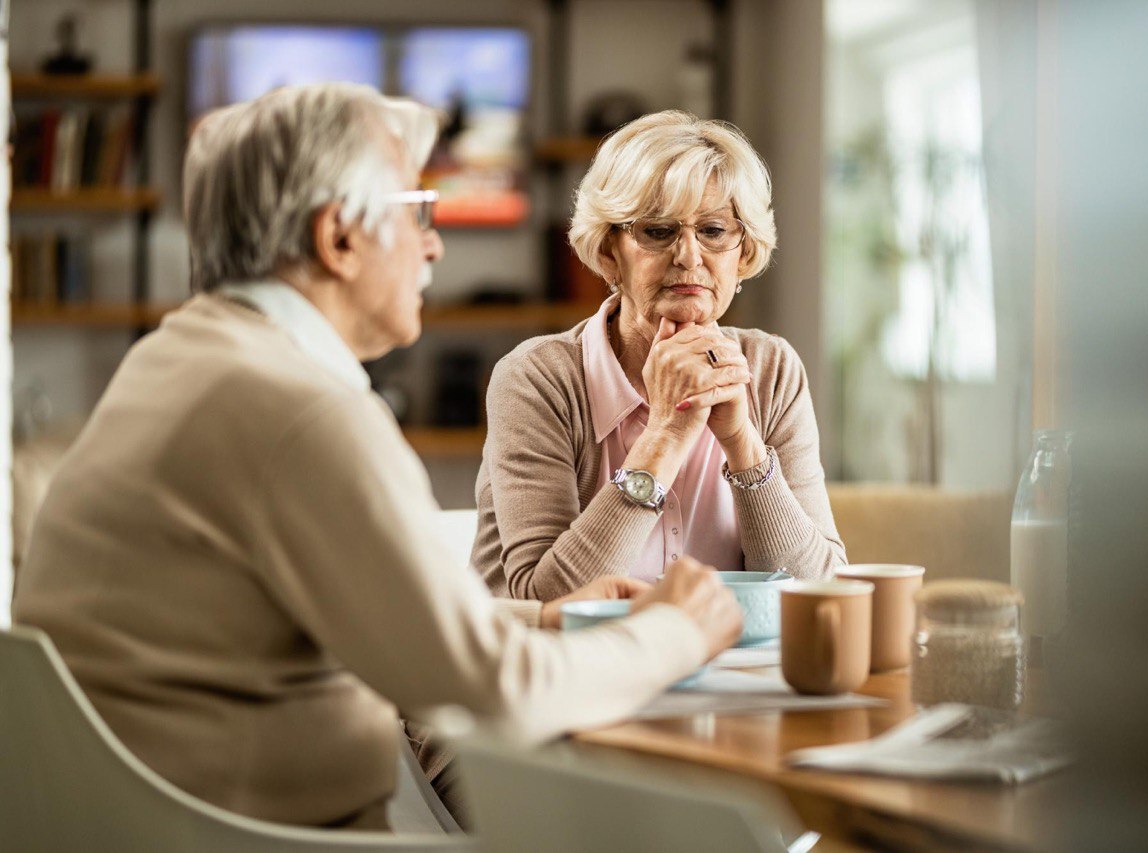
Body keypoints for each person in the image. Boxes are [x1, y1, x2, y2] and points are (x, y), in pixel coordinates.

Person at [12, 84, 741, 830]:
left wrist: (547, 618)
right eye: (419, 210)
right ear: (339, 239)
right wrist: (680, 629)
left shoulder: (183, 355)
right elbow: (496, 694)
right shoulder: (302, 410)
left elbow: (405, 628)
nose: (435, 244)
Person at [474, 111, 847, 601]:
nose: (689, 256)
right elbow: (546, 604)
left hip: (731, 674)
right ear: (610, 252)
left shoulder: (771, 369)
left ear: (744, 253)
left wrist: (743, 446)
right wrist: (666, 436)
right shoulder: (535, 378)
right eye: (658, 230)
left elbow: (820, 596)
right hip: (571, 674)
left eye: (714, 231)